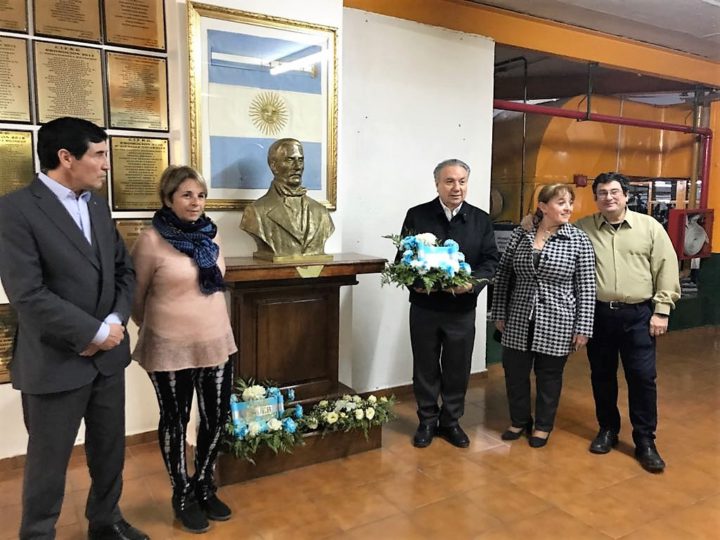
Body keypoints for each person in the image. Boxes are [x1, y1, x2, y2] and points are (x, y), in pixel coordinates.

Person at [0, 117, 147, 540]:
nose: (105, 165)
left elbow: (124, 270)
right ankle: (39, 533)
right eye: (98, 155)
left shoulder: (98, 205)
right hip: (54, 361)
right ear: (66, 158)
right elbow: (27, 294)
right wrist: (92, 333)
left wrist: (115, 323)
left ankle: (106, 520)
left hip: (107, 360)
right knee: (48, 460)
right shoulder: (15, 210)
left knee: (109, 450)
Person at [131, 165, 238, 533]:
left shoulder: (212, 235)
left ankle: (204, 483)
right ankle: (182, 494)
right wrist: (161, 328)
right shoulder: (150, 240)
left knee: (217, 416)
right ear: (168, 199)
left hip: (215, 340)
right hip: (169, 347)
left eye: (201, 195)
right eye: (187, 195)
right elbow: (136, 297)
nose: (196, 202)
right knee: (175, 422)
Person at [576, 172, 679, 472]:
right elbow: (553, 229)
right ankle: (607, 429)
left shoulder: (649, 228)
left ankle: (645, 440)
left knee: (643, 378)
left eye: (614, 192)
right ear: (595, 197)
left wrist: (661, 310)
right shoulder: (582, 228)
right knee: (602, 374)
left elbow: (666, 268)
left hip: (639, 316)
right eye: (602, 193)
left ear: (626, 195)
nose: (609, 197)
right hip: (600, 315)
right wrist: (532, 219)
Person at [399, 158, 499, 449]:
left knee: (457, 369)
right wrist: (416, 282)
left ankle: (451, 422)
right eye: (449, 181)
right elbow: (401, 260)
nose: (456, 188)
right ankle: (427, 421)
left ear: (468, 183)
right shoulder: (417, 216)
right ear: (437, 184)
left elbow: (491, 261)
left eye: (462, 181)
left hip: (462, 311)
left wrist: (472, 284)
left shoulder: (481, 220)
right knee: (425, 367)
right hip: (425, 309)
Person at [492, 184, 595, 448]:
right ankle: (519, 420)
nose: (568, 208)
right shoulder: (521, 234)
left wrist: (583, 328)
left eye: (570, 202)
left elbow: (586, 286)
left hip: (558, 318)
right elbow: (504, 275)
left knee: (549, 376)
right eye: (561, 202)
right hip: (518, 317)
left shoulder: (578, 240)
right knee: (514, 373)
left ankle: (543, 426)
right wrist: (499, 312)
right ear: (543, 206)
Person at [240, 138, 335, 260]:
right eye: (290, 160)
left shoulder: (321, 212)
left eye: (300, 160)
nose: (297, 167)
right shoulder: (255, 212)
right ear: (273, 165)